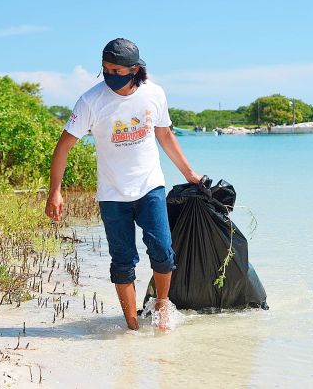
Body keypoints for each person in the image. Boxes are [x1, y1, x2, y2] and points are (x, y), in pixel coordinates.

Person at [45, 38, 202, 330]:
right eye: (105, 69)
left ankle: (162, 306)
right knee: (122, 261)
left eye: (117, 70)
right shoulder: (91, 100)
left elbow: (165, 135)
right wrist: (55, 191)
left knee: (163, 253)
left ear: (135, 69)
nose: (110, 76)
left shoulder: (154, 93)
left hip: (150, 186)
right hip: (112, 194)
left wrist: (189, 174)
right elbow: (63, 146)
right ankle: (132, 326)